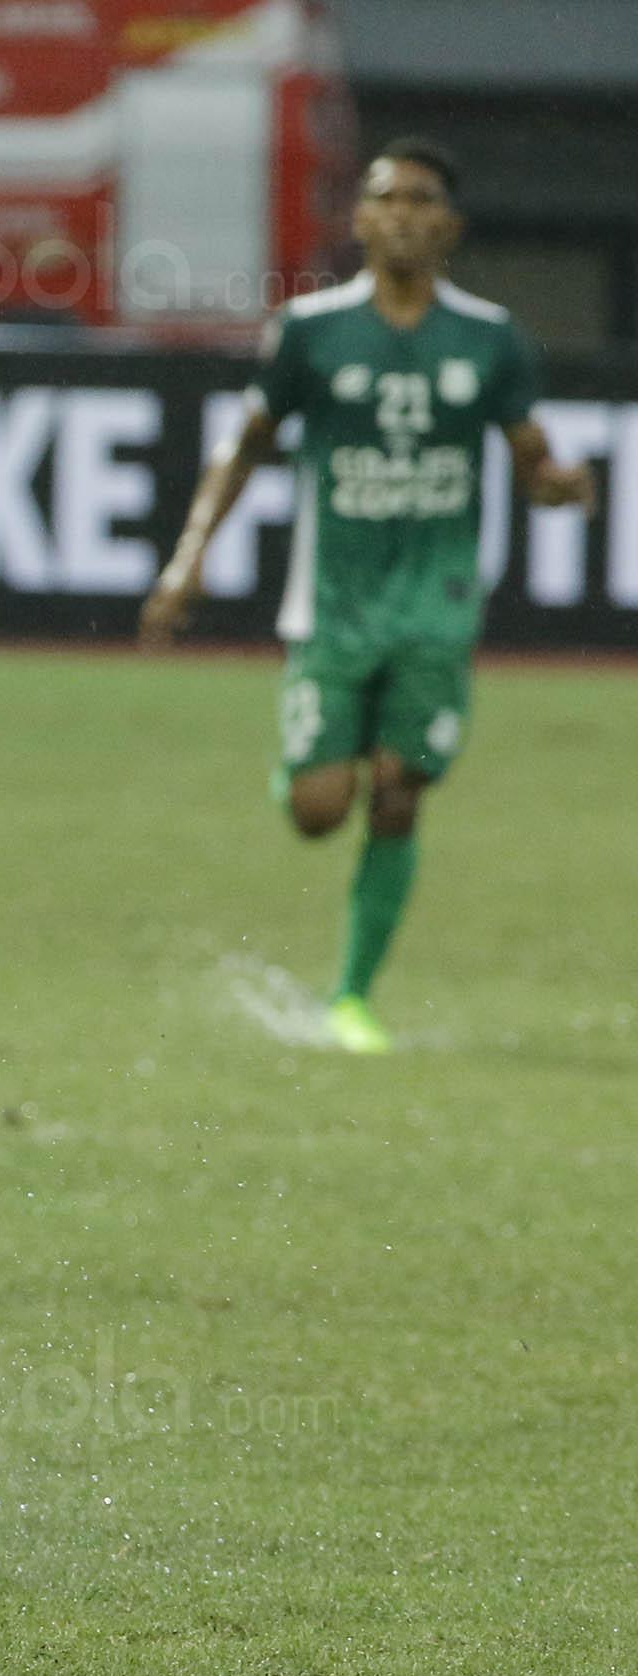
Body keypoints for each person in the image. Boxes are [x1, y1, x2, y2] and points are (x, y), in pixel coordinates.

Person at [140, 139, 596, 1055]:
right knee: (319, 811)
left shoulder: (491, 338)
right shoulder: (310, 331)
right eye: (385, 198)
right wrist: (188, 556)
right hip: (335, 605)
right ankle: (311, 772)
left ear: (450, 227)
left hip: (438, 602)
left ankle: (350, 997)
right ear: (359, 220)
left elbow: (532, 457)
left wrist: (559, 486)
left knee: (398, 796)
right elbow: (245, 446)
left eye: (423, 199)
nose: (402, 214)